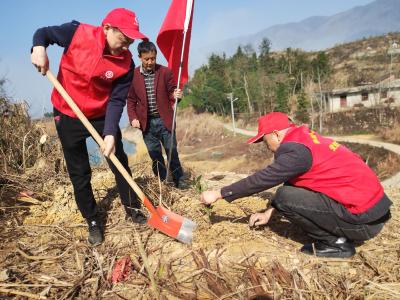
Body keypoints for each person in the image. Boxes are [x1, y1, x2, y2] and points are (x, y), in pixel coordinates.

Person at [31, 8, 148, 246]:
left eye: (130, 40)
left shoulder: (126, 64)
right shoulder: (76, 33)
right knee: (79, 171)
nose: (126, 44)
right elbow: (43, 33)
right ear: (106, 28)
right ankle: (92, 220)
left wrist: (109, 133)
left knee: (118, 161)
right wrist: (39, 48)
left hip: (101, 115)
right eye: (122, 37)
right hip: (66, 112)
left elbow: (116, 100)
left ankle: (132, 208)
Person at [200, 112, 392, 258]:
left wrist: (219, 193)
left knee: (285, 195)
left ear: (275, 135)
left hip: (364, 222)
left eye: (265, 141)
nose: (266, 147)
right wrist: (270, 212)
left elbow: (262, 179)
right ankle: (338, 237)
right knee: (287, 193)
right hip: (374, 212)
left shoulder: (295, 152)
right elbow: (293, 180)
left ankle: (336, 244)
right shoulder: (305, 138)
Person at [127, 41, 186, 188]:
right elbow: (131, 100)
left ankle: (180, 181)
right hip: (147, 125)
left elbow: (172, 93)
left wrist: (177, 95)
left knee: (172, 153)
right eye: (147, 59)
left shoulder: (165, 72)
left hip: (165, 121)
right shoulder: (133, 76)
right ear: (140, 57)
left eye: (153, 58)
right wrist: (133, 118)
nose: (150, 62)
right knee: (155, 156)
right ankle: (164, 184)